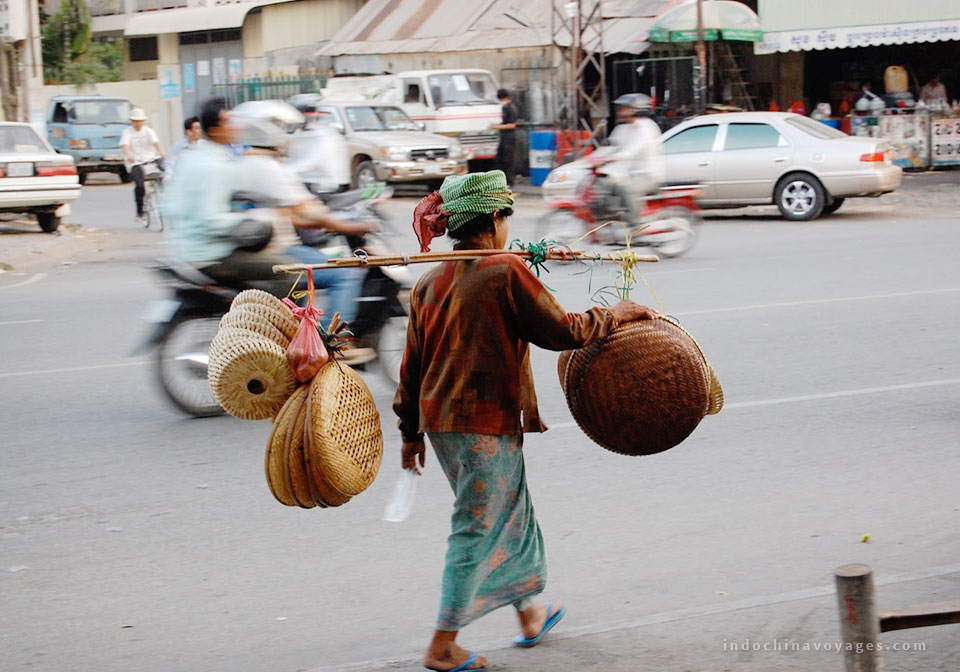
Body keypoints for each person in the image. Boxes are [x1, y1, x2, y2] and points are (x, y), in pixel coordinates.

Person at [394, 170, 658, 672]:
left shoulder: (430, 281)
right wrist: (619, 313)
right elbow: (563, 331)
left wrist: (410, 434)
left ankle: (530, 614)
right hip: (481, 425)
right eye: (506, 218)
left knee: (511, 515)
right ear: (495, 217)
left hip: (442, 424)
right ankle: (442, 646)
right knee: (478, 525)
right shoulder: (504, 270)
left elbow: (411, 366)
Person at [161, 98, 375, 344]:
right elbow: (213, 219)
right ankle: (310, 343)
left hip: (191, 250)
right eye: (229, 122)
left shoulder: (196, 157)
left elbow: (168, 204)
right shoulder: (227, 165)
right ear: (216, 129)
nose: (236, 126)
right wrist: (247, 221)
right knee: (292, 274)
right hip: (214, 253)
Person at [597, 93, 665, 227]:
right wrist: (593, 158)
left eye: (625, 108)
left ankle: (637, 224)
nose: (620, 112)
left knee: (626, 189)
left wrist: (610, 159)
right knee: (602, 185)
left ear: (637, 109)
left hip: (648, 174)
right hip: (627, 173)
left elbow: (631, 151)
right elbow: (611, 146)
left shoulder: (646, 128)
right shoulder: (622, 128)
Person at [285, 98, 351, 195]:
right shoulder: (301, 133)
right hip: (310, 181)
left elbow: (314, 160)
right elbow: (291, 157)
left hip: (328, 185)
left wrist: (286, 171)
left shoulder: (323, 134)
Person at [120, 108, 165, 226]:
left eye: (140, 121)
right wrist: (129, 155)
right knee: (139, 185)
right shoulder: (127, 132)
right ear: (132, 121)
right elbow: (125, 145)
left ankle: (165, 197)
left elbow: (156, 143)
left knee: (164, 171)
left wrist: (162, 152)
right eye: (135, 121)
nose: (138, 123)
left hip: (149, 159)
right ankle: (140, 212)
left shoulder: (149, 131)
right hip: (136, 162)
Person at [490, 88, 519, 187]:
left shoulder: (511, 108)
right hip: (503, 137)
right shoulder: (504, 108)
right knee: (500, 159)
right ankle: (501, 180)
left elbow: (512, 125)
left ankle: (509, 181)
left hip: (509, 137)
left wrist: (497, 127)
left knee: (508, 160)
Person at [163, 116, 203, 182]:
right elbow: (169, 164)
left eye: (200, 128)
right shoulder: (177, 147)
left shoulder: (205, 146)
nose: (200, 131)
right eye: (197, 128)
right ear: (188, 132)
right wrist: (168, 179)